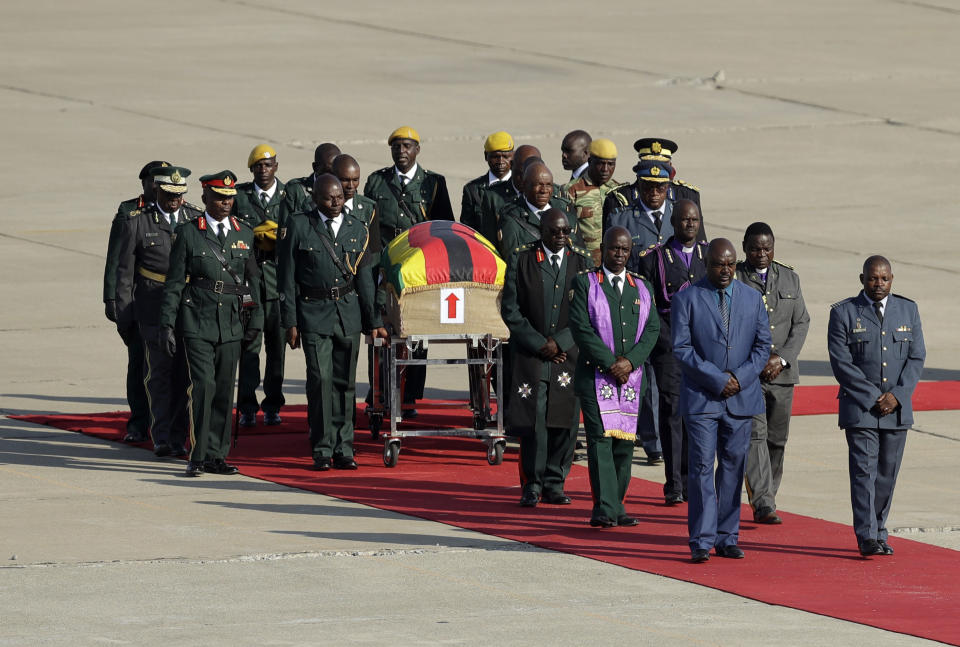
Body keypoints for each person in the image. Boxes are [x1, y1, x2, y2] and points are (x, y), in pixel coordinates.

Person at [278, 175, 388, 470]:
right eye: (329, 197)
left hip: (348, 314)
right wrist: (290, 321)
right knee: (320, 380)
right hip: (313, 312)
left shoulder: (357, 228)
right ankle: (322, 448)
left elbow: (366, 279)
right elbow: (286, 277)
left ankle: (344, 447)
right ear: (315, 198)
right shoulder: (300, 225)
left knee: (345, 384)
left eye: (339, 196)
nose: (336, 201)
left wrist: (373, 320)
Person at [671, 238, 771, 562]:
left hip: (741, 398)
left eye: (730, 264)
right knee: (702, 467)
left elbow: (762, 348)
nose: (725, 270)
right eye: (719, 264)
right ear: (707, 264)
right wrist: (717, 379)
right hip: (702, 398)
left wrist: (739, 379)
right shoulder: (687, 298)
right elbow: (682, 349)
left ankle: (728, 537)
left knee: (732, 466)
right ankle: (701, 539)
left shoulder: (752, 299)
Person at [159, 171, 263, 477]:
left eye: (230, 198)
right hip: (197, 320)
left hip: (231, 322)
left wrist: (254, 320)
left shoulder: (245, 232)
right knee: (203, 386)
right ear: (204, 198)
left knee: (222, 391)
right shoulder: (189, 232)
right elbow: (175, 283)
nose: (226, 203)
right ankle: (198, 453)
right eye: (219, 197)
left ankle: (218, 455)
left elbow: (252, 282)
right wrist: (167, 323)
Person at [827, 256, 924, 557]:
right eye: (872, 279)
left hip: (896, 409)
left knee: (886, 473)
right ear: (862, 279)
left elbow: (916, 357)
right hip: (861, 409)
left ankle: (880, 530)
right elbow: (841, 362)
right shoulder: (844, 312)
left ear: (892, 279)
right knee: (863, 472)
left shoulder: (908, 309)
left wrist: (898, 395)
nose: (878, 284)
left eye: (884, 279)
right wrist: (873, 398)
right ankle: (866, 535)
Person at [501, 209, 592, 507]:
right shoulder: (522, 259)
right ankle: (532, 482)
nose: (561, 237)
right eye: (555, 232)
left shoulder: (581, 262)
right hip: (533, 354)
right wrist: (541, 344)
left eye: (566, 232)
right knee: (535, 420)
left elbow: (588, 311)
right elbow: (511, 310)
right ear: (542, 231)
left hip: (568, 354)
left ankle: (555, 481)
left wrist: (562, 342)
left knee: (564, 419)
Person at [570, 227, 660, 528]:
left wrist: (631, 362)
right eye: (614, 249)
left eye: (624, 250)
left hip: (631, 379)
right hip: (597, 376)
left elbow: (652, 330)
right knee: (600, 439)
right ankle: (604, 507)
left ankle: (617, 504)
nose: (619, 255)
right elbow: (581, 329)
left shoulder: (642, 287)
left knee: (624, 441)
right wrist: (612, 364)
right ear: (602, 249)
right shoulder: (586, 284)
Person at [363, 126, 454, 415]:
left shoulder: (434, 183)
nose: (401, 152)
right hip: (386, 270)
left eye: (406, 146)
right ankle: (378, 393)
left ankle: (409, 396)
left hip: (419, 270)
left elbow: (445, 227)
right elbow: (368, 226)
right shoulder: (377, 182)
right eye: (396, 147)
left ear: (417, 149)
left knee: (417, 333)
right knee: (381, 332)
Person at [115, 166, 201, 457]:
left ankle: (179, 437)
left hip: (186, 308)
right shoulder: (137, 222)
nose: (174, 200)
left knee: (184, 377)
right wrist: (124, 313)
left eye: (179, 195)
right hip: (152, 306)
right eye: (168, 194)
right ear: (157, 192)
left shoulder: (193, 218)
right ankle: (161, 436)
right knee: (159, 374)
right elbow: (125, 272)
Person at [735, 222, 810, 524]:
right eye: (755, 248)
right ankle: (762, 501)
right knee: (755, 436)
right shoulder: (736, 278)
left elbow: (801, 322)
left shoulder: (790, 278)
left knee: (777, 440)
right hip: (751, 375)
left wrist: (783, 359)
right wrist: (756, 362)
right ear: (745, 248)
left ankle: (770, 494)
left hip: (782, 375)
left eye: (767, 248)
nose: (761, 254)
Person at [637, 200, 709, 505]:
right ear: (673, 222)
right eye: (683, 220)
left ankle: (695, 481)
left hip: (704, 349)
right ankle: (674, 483)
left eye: (694, 220)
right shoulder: (654, 259)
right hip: (669, 348)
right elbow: (649, 308)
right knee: (672, 415)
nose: (689, 224)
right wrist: (668, 344)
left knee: (699, 415)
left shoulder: (710, 255)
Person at [104, 160, 170, 443]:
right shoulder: (130, 213)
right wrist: (115, 302)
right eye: (153, 181)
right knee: (139, 365)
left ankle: (167, 425)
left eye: (162, 182)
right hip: (140, 303)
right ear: (144, 183)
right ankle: (138, 423)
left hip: (172, 303)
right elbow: (118, 263)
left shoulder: (184, 213)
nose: (157, 186)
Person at [232, 144, 295, 427]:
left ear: (276, 167)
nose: (263, 170)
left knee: (277, 350)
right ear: (251, 170)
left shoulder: (288, 196)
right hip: (251, 285)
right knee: (249, 347)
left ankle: (273, 404)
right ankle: (246, 406)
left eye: (268, 165)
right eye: (258, 166)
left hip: (279, 284)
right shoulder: (240, 197)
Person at [496, 161, 578, 260]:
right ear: (525, 185)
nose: (544, 190)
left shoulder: (565, 214)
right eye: (538, 184)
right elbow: (513, 263)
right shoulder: (511, 219)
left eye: (548, 185)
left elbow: (579, 256)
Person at [603, 138, 702, 219]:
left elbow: (698, 240)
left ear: (670, 166)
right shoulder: (618, 198)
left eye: (662, 165)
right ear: (640, 166)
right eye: (649, 164)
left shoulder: (687, 195)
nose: (655, 168)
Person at [564, 138, 623, 266]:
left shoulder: (619, 191)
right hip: (583, 263)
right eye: (601, 163)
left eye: (611, 164)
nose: (605, 169)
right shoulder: (571, 190)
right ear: (590, 161)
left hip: (613, 264)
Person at [460, 131, 514, 243]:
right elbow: (467, 231)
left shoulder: (522, 185)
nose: (500, 162)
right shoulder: (473, 190)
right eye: (495, 157)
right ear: (486, 156)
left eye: (505, 156)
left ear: (513, 156)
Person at [287, 142, 341, 212]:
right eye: (329, 171)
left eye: (337, 171)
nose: (334, 176)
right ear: (315, 167)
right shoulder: (296, 191)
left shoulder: (346, 188)